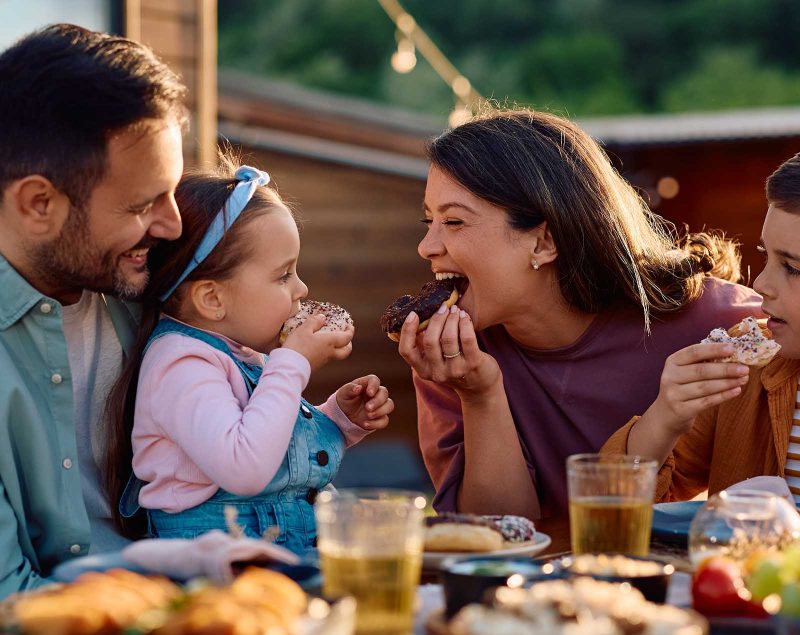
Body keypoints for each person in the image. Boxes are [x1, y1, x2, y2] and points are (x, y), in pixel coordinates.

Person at [396, 108, 761, 542]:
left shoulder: (722, 323)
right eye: (428, 220)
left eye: (453, 221)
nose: (427, 246)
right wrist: (479, 395)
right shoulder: (452, 355)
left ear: (544, 241)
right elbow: (496, 540)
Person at [105, 157, 395, 554]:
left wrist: (337, 419)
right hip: (217, 578)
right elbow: (245, 468)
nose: (302, 289)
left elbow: (269, 443)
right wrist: (294, 363)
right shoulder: (181, 365)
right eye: (283, 275)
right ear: (212, 298)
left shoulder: (239, 355)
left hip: (280, 560)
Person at [0, 24, 186, 597]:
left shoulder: (155, 292)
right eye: (141, 205)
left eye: (173, 191)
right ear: (38, 204)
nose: (172, 224)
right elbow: (9, 603)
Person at [602, 154, 800, 501]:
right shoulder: (746, 369)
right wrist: (665, 417)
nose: (763, 284)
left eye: (793, 268)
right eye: (766, 256)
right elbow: (615, 504)